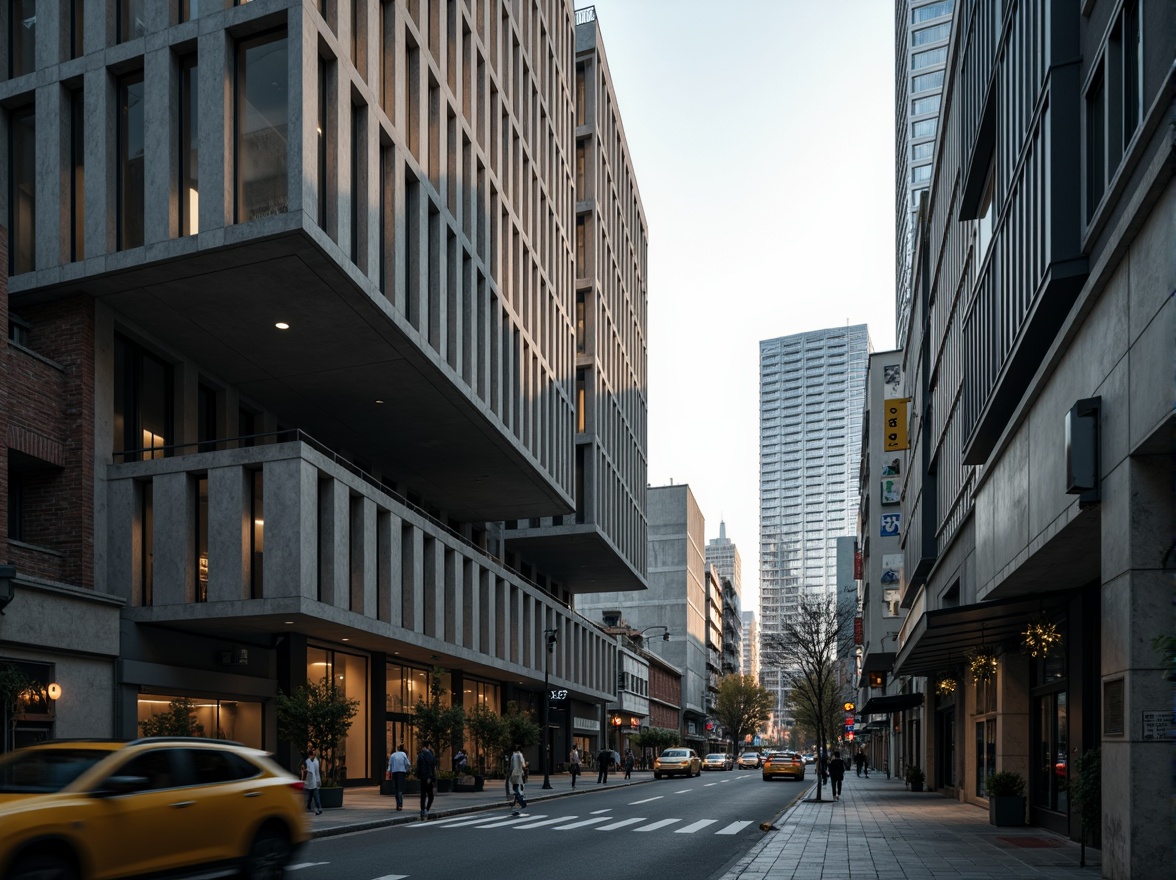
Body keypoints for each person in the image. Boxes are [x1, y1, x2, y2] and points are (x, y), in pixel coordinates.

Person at [416, 741, 437, 820]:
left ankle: (422, 810)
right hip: (429, 778)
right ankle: (427, 809)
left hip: (423, 778)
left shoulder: (420, 755)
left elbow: (418, 767)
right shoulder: (431, 755)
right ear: (428, 746)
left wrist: (419, 776)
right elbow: (434, 765)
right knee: (430, 795)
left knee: (423, 795)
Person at [386, 744, 411, 811]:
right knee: (400, 789)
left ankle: (397, 803)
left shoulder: (393, 755)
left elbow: (390, 765)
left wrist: (389, 772)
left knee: (396, 788)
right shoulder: (403, 754)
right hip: (401, 772)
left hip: (394, 772)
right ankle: (400, 804)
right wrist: (406, 769)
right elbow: (407, 763)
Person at [301, 746, 322, 815]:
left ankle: (315, 808)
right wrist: (318, 781)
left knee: (312, 796)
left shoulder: (310, 762)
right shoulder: (314, 761)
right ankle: (313, 807)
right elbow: (316, 772)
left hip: (311, 782)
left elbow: (312, 772)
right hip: (312, 782)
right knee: (313, 796)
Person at [508, 744, 528, 815]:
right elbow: (523, 765)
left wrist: (509, 773)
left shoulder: (513, 756)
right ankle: (517, 803)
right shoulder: (521, 755)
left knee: (515, 789)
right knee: (519, 788)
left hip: (514, 774)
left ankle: (519, 800)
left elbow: (512, 766)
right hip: (520, 774)